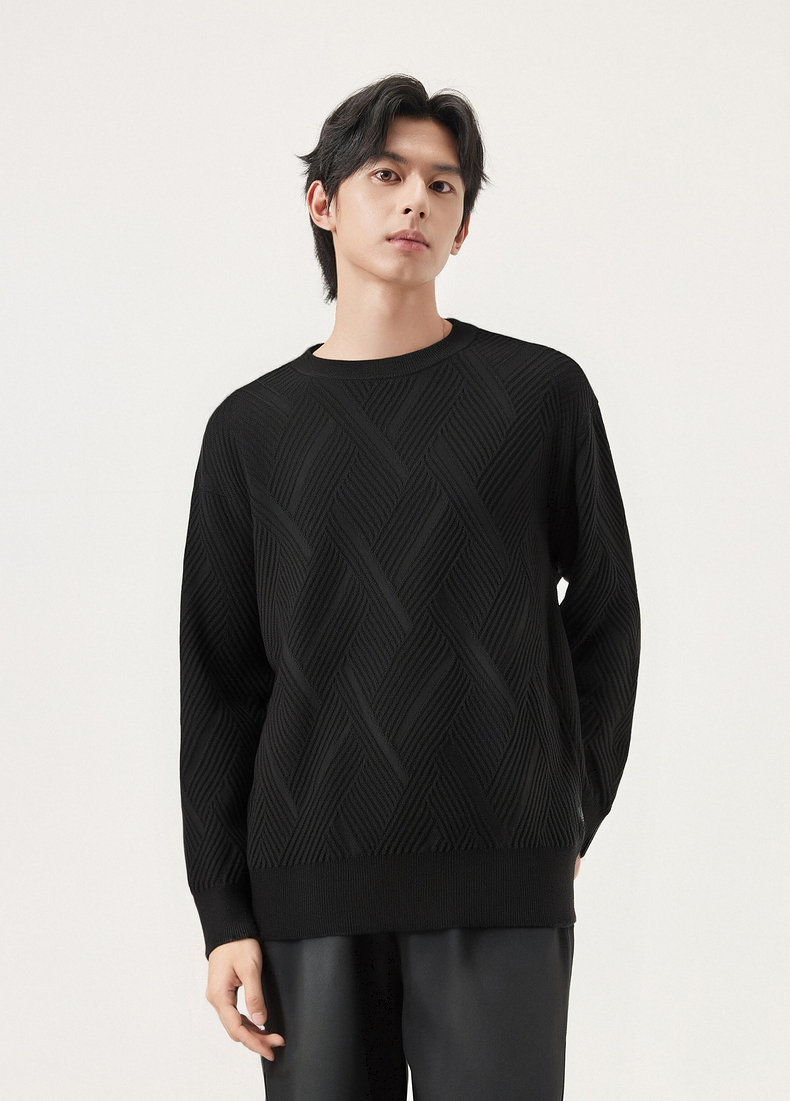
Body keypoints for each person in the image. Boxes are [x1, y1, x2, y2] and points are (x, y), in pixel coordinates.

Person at [179, 73, 641, 1100]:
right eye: (387, 175)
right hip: (306, 884)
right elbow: (220, 682)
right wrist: (224, 914)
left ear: (463, 225)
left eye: (443, 184)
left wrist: (573, 808)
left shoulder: (539, 397)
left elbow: (608, 614)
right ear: (323, 202)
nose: (416, 202)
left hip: (500, 873)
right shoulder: (251, 431)